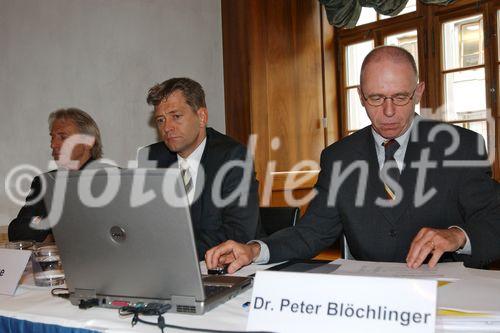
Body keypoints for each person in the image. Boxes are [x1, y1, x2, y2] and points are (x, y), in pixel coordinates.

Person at [206, 45, 500, 272]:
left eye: (400, 97)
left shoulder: (461, 147)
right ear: (360, 95)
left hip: (448, 292)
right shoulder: (339, 158)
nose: (387, 112)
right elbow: (312, 232)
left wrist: (458, 236)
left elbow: (494, 219)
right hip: (368, 299)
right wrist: (254, 250)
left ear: (419, 92)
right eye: (375, 98)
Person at [137, 77, 260, 258]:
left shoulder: (233, 157)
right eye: (161, 120)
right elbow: (144, 223)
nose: (167, 127)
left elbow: (237, 234)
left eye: (176, 117)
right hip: (167, 266)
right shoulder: (150, 158)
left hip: (228, 267)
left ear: (201, 117)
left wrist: (170, 250)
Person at [8, 108, 105, 242]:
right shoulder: (45, 182)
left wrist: (46, 225)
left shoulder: (114, 180)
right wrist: (54, 233)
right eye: (52, 137)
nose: (53, 144)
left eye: (62, 137)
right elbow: (18, 230)